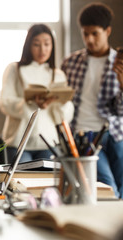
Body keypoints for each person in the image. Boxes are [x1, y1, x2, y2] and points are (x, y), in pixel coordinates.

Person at [61, 2, 123, 198]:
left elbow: (120, 110)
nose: (89, 39)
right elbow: (61, 102)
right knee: (107, 188)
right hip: (85, 136)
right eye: (85, 33)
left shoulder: (119, 62)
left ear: (108, 31)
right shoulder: (71, 63)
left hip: (116, 133)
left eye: (95, 33)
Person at [0, 24, 74, 164]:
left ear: (52, 46)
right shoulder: (14, 69)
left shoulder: (57, 74)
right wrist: (30, 104)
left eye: (47, 44)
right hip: (19, 141)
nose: (42, 49)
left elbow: (61, 117)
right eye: (37, 44)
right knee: (21, 184)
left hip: (48, 142)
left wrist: (60, 103)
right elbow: (5, 102)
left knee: (46, 184)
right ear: (28, 46)